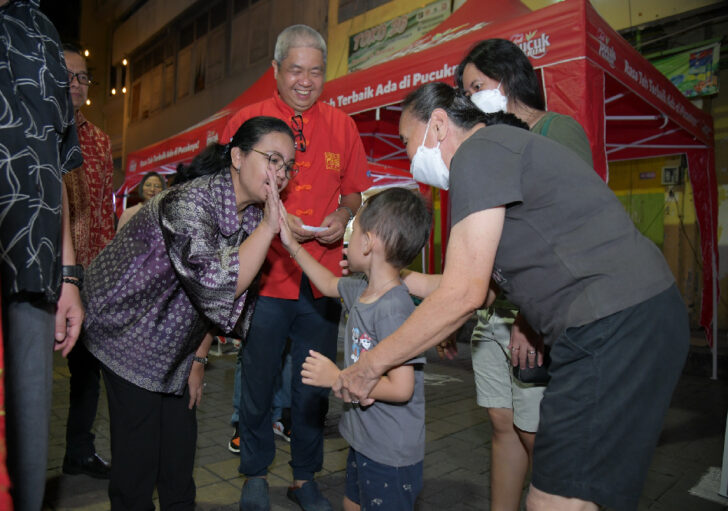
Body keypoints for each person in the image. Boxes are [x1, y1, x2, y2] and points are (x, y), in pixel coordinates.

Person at [335, 82, 689, 511]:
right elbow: (482, 290)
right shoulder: (499, 152)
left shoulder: (477, 153)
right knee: (586, 497)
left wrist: (369, 365)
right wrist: (398, 279)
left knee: (556, 501)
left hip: (612, 323)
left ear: (439, 125)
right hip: (628, 318)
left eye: (408, 141)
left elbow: (463, 295)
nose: (410, 158)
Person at [80, 117, 296, 510]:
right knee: (138, 463)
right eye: (273, 160)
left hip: (175, 340)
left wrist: (198, 359)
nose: (281, 173)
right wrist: (269, 230)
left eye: (288, 166)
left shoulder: (251, 214)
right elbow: (216, 287)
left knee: (179, 456)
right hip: (127, 331)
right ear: (237, 156)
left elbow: (221, 304)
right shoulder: (189, 203)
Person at [219, 25, 371, 511]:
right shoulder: (246, 121)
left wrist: (342, 218)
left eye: (315, 71)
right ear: (276, 70)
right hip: (263, 278)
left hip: (321, 280)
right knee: (258, 380)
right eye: (295, 70)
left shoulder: (342, 125)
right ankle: (255, 473)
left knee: (313, 387)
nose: (305, 81)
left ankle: (305, 477)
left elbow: (353, 191)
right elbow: (224, 193)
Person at [452, 38, 594, 510]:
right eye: (466, 92)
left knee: (538, 435)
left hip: (536, 313)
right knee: (502, 424)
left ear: (509, 77)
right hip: (496, 311)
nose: (470, 98)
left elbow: (568, 226)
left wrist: (531, 320)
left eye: (477, 86)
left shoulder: (556, 130)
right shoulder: (489, 145)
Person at [0, 1, 85, 509]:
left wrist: (69, 275)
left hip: (34, 272)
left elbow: (55, 160)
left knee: (27, 456)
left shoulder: (41, 29)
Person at [283, 187, 431, 511]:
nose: (348, 241)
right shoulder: (363, 290)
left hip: (390, 452)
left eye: (354, 231)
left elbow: (402, 388)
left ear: (368, 243)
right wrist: (292, 246)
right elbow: (326, 282)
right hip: (364, 440)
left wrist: (338, 377)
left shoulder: (393, 308)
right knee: (352, 503)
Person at [61, 42, 114, 479]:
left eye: (83, 77)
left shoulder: (99, 139)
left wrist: (105, 273)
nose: (77, 84)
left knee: (86, 371)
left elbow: (103, 213)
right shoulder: (33, 130)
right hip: (41, 272)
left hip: (90, 276)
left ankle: (78, 452)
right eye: (68, 76)